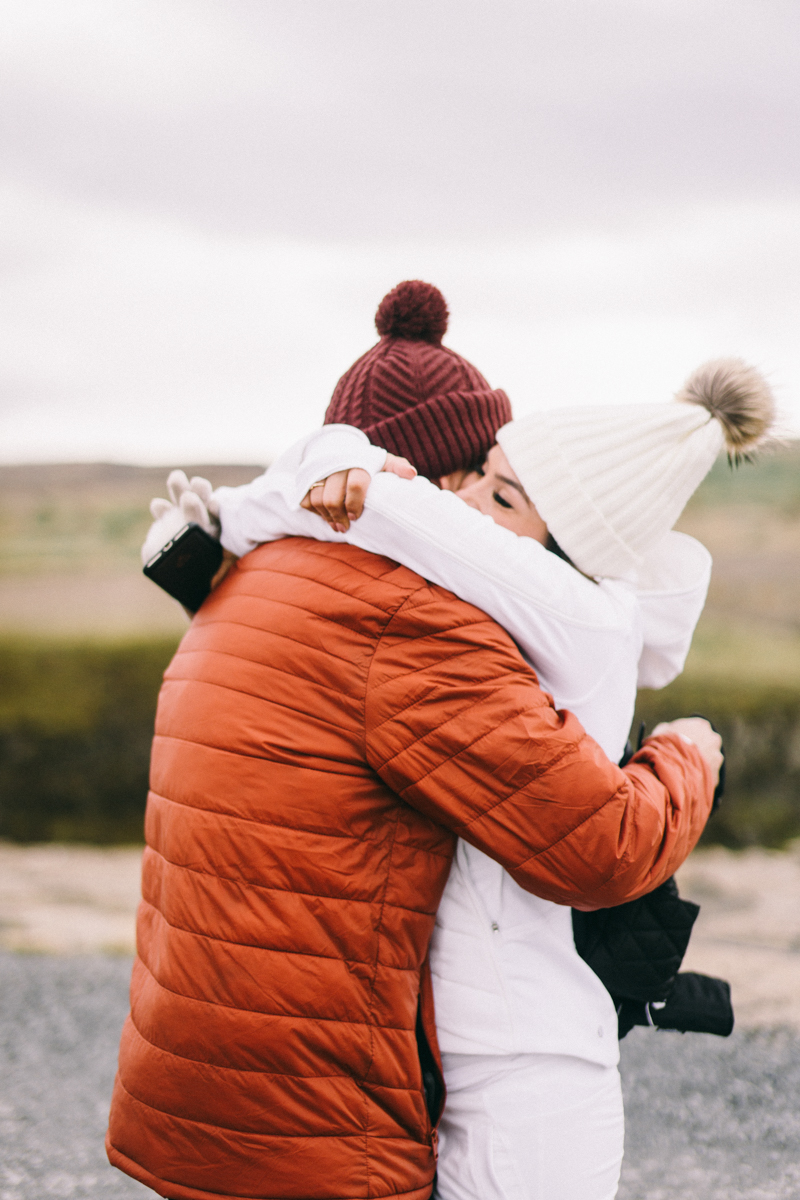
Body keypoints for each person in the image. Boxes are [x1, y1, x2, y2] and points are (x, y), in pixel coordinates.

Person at [108, 282, 722, 1200]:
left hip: (192, 1089)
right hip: (314, 1125)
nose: (479, 504)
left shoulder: (251, 579)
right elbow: (599, 846)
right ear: (427, 480)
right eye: (478, 472)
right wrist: (687, 754)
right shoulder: (409, 622)